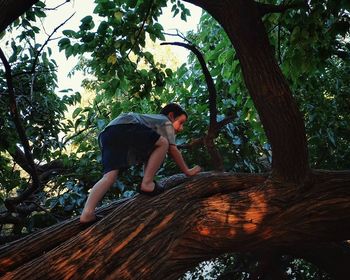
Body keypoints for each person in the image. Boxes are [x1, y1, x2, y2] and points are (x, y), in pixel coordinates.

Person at [80, 103, 201, 223]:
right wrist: (187, 171)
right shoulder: (166, 121)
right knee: (164, 143)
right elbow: (172, 149)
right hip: (125, 126)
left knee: (109, 177)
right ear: (171, 116)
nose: (181, 128)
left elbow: (150, 156)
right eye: (181, 123)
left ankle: (87, 213)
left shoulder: (150, 131)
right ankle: (147, 183)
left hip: (107, 134)